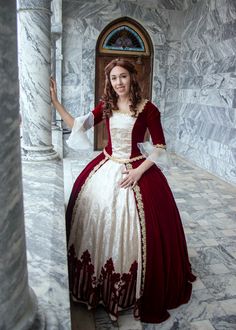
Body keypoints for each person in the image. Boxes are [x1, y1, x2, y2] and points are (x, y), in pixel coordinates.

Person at [50, 58, 196, 324]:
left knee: (147, 229)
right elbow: (78, 126)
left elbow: (160, 147)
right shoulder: (106, 106)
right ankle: (97, 285)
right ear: (109, 81)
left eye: (123, 77)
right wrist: (55, 102)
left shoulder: (148, 108)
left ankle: (130, 289)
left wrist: (138, 173)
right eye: (114, 78)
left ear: (132, 78)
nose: (118, 82)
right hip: (107, 165)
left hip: (136, 169)